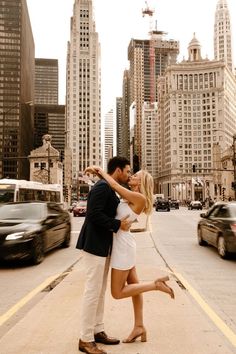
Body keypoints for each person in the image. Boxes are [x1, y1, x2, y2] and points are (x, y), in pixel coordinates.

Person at [85, 165, 175, 344]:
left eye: (135, 175)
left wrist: (100, 172)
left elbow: (115, 186)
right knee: (134, 287)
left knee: (117, 293)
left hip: (122, 248)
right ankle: (139, 326)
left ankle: (156, 285)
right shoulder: (131, 196)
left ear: (141, 182)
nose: (131, 176)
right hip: (123, 244)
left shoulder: (139, 198)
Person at [76, 156, 132, 354]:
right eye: (127, 171)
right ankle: (85, 338)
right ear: (118, 170)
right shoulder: (102, 187)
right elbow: (92, 214)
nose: (129, 175)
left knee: (99, 291)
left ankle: (97, 330)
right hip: (94, 245)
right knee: (92, 292)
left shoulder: (109, 186)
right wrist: (118, 225)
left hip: (103, 246)